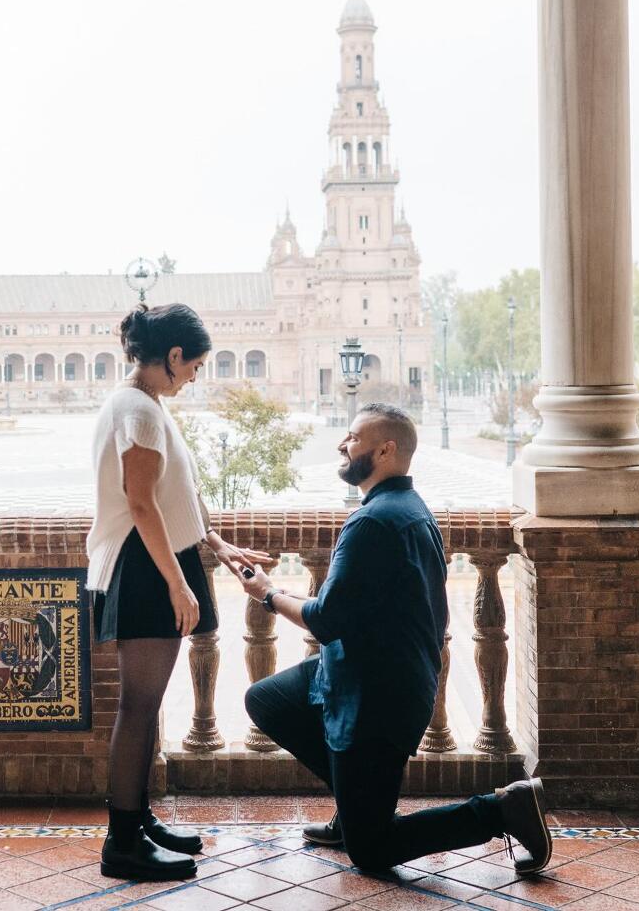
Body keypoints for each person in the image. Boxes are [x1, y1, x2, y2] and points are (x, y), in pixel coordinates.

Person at [231, 403, 552, 876]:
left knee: (372, 850)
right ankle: (354, 801)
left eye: (354, 438)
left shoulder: (372, 523)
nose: (343, 445)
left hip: (375, 699)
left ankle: (503, 810)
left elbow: (325, 620)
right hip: (361, 674)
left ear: (386, 449)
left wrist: (268, 593)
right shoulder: (407, 508)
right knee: (268, 700)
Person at [87, 302, 274, 881]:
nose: (195, 376)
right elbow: (140, 504)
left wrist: (216, 546)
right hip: (144, 569)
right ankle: (123, 842)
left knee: (147, 705)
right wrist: (177, 582)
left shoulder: (141, 405)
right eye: (193, 365)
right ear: (171, 357)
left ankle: (138, 819)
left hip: (153, 563)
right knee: (139, 706)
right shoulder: (139, 412)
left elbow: (173, 495)